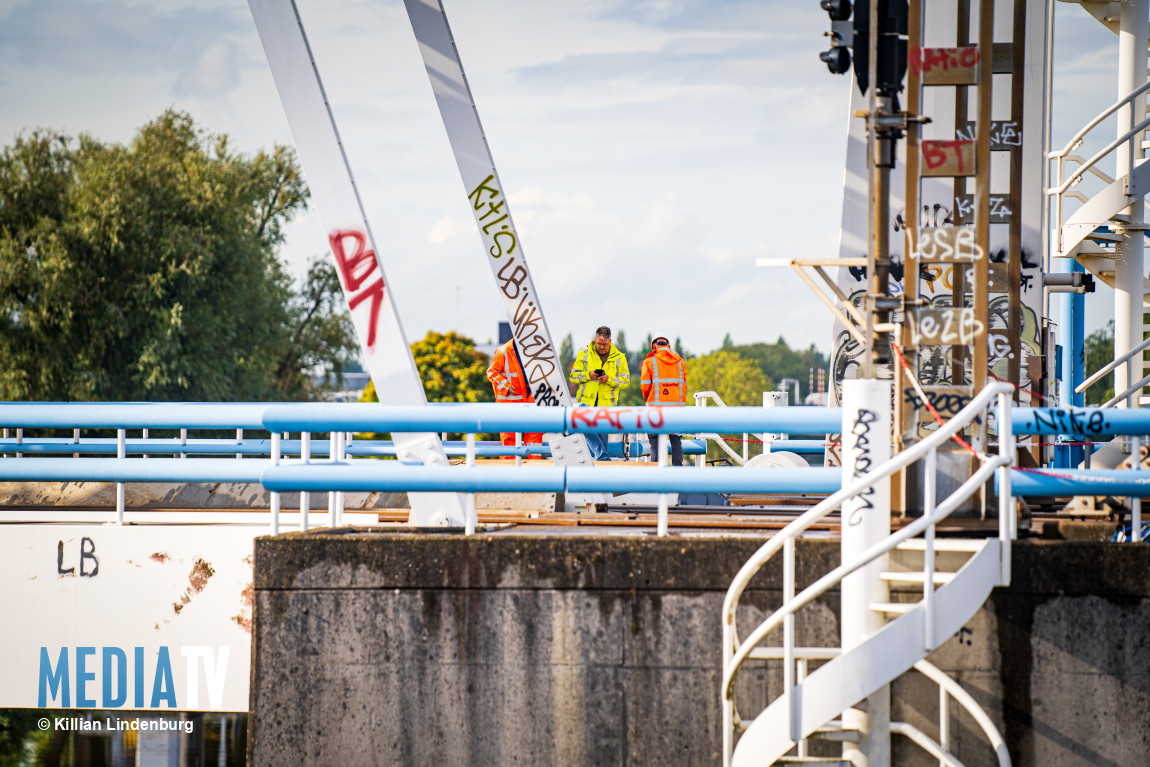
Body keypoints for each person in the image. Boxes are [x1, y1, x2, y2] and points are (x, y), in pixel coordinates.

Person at [569, 325, 630, 461]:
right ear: (595, 340)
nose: (601, 347)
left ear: (610, 342)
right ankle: (603, 458)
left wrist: (610, 380)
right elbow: (573, 376)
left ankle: (602, 470)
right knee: (584, 428)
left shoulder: (620, 358)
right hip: (585, 404)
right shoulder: (583, 354)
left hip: (606, 406)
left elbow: (625, 381)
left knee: (603, 440)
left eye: (604, 344)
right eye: (599, 343)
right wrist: (588, 375)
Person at [486, 338, 543, 459]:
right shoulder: (504, 351)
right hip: (510, 405)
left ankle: (536, 469)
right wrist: (506, 386)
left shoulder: (537, 350)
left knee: (535, 436)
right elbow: (491, 372)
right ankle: (509, 472)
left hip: (531, 402)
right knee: (509, 439)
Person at [640, 335, 686, 466]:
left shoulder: (649, 362)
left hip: (656, 408)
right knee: (676, 439)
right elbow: (684, 385)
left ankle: (656, 473)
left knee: (655, 441)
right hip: (676, 409)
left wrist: (647, 399)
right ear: (669, 347)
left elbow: (644, 386)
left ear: (654, 347)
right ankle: (678, 469)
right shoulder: (681, 362)